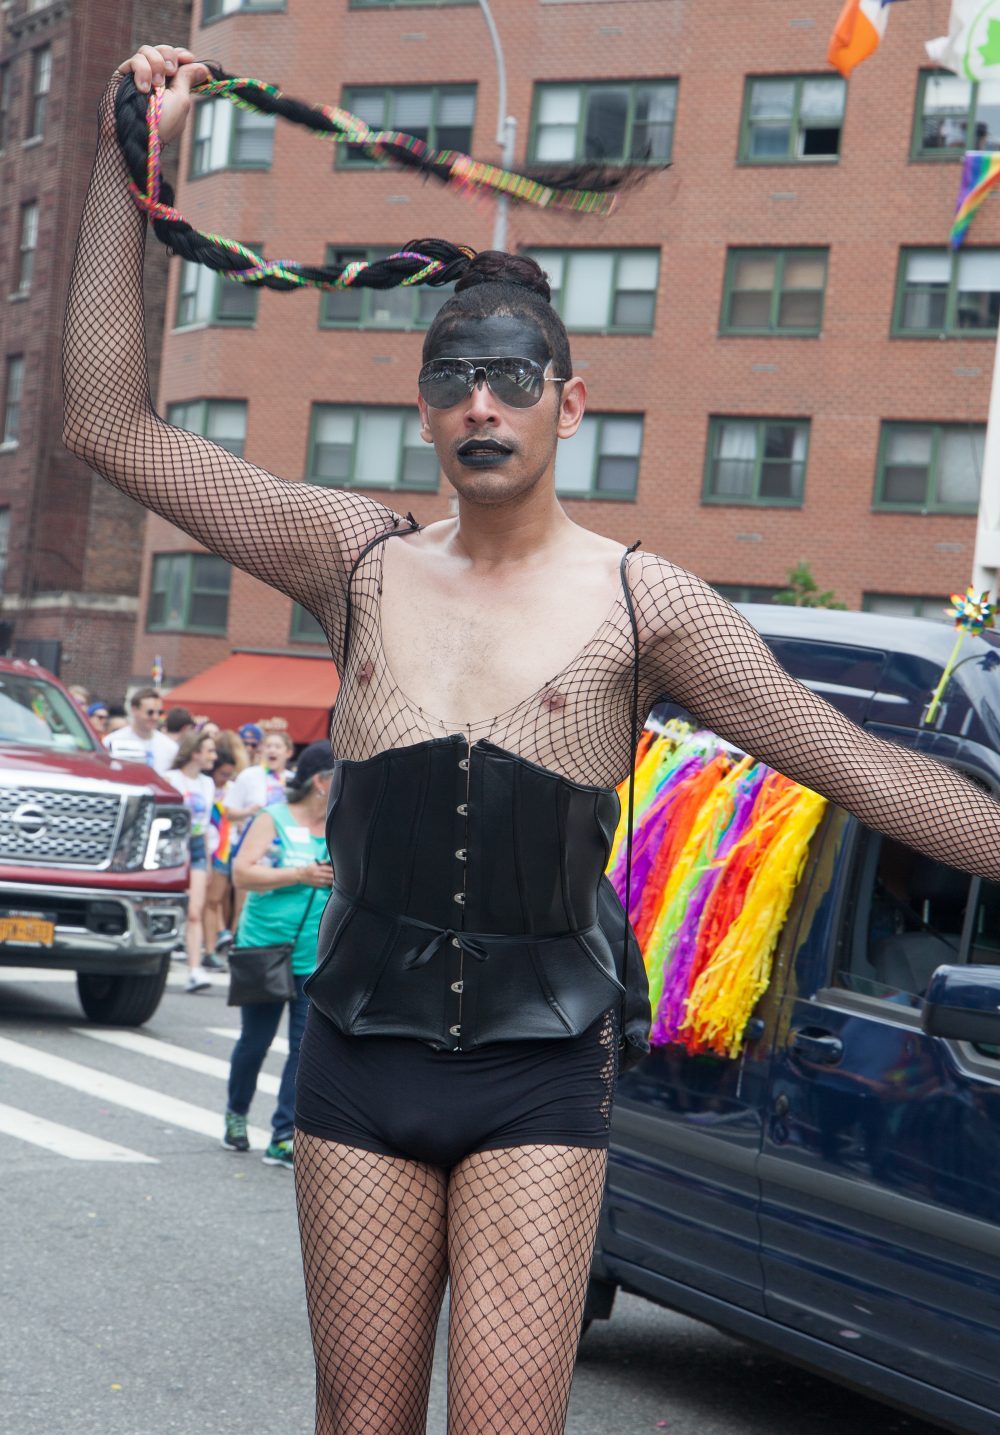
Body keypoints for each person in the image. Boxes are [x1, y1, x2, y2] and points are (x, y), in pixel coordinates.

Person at [64, 43, 1000, 1435]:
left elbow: (866, 771)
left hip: (542, 1070)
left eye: (513, 375)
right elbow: (105, 423)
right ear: (422, 403)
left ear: (573, 401)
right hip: (359, 1054)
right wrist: (124, 163)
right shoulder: (354, 556)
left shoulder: (646, 604)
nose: (481, 400)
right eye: (454, 376)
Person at [223, 741, 334, 1167]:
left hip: (315, 955)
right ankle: (236, 1113)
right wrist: (299, 874)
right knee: (256, 1041)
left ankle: (284, 1133)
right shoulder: (274, 818)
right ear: (320, 782)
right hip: (265, 949)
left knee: (304, 1049)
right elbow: (242, 873)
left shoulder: (341, 826)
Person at [166, 729, 218, 993]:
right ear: (195, 752)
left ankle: (195, 968)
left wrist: (207, 858)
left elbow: (207, 823)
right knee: (174, 906)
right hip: (173, 845)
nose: (214, 756)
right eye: (209, 750)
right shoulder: (171, 778)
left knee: (195, 909)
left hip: (197, 845)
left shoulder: (208, 784)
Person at [203, 739, 239, 966]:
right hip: (206, 849)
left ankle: (217, 938)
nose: (226, 779)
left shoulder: (231, 790)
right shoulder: (204, 787)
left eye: (229, 774)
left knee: (215, 900)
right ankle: (212, 943)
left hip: (224, 849)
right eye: (223, 774)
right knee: (209, 901)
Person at [103, 687, 176, 773]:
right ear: (134, 709)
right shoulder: (111, 741)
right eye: (150, 712)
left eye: (159, 713)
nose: (155, 717)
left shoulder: (170, 747)